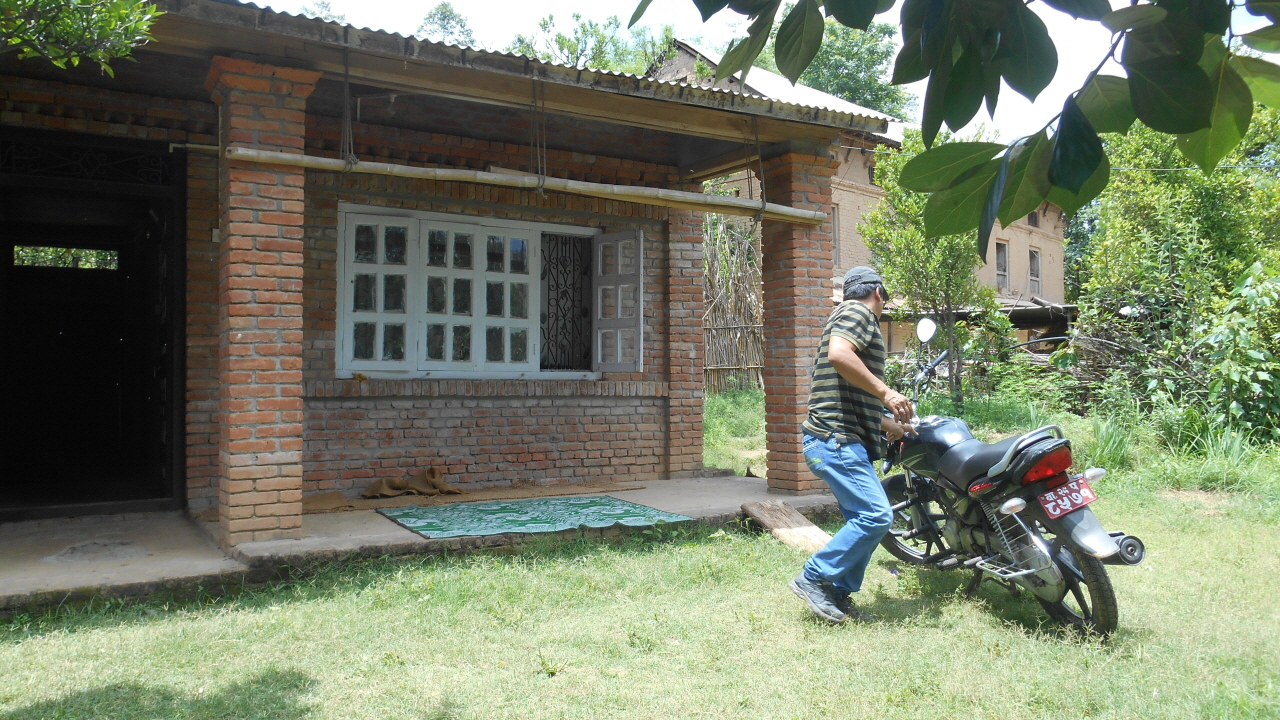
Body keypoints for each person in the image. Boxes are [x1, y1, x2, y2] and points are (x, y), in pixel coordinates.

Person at [789, 265, 914, 623]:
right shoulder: (857, 312)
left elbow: (846, 397)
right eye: (885, 296)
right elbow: (839, 355)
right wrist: (887, 391)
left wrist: (892, 426)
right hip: (835, 440)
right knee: (876, 515)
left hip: (836, 438)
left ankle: (837, 592)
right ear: (878, 292)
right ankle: (813, 578)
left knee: (863, 518)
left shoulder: (845, 315)